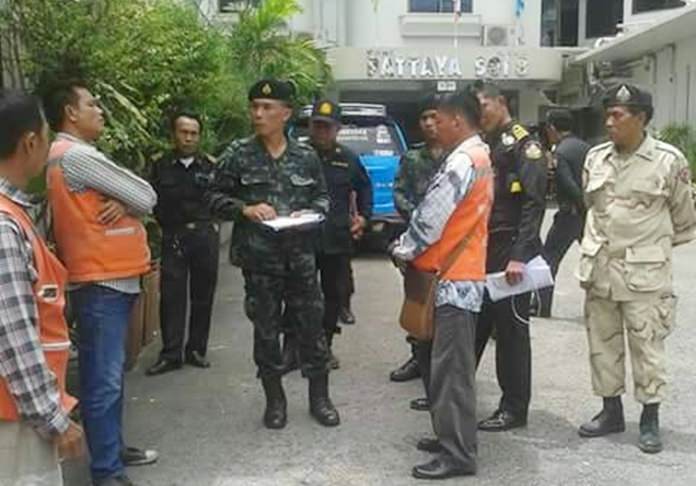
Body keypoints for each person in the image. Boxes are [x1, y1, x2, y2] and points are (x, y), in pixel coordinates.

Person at [43, 80, 158, 486]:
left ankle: (112, 448)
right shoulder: (75, 156)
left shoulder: (67, 156)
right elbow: (146, 195)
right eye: (92, 104)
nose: (101, 110)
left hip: (107, 279)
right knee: (103, 378)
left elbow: (134, 199)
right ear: (70, 113)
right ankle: (107, 470)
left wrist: (123, 202)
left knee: (107, 375)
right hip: (101, 281)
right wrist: (132, 202)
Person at [207, 79, 339, 429]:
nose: (258, 114)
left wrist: (308, 214)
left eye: (267, 107)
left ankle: (320, 398)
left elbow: (323, 199)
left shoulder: (306, 156)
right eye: (254, 107)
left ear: (286, 113)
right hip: (259, 261)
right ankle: (275, 400)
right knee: (266, 332)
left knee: (312, 328)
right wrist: (245, 208)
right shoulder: (238, 154)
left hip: (301, 260)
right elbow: (212, 197)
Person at [577, 84, 696, 453]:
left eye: (618, 115)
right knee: (602, 344)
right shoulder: (595, 158)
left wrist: (649, 249)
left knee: (647, 346)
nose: (609, 121)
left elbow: (683, 219)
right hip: (600, 270)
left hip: (645, 275)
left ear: (641, 118)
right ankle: (610, 411)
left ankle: (649, 419)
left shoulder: (668, 160)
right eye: (608, 114)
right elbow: (591, 205)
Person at [390, 88, 493, 480]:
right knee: (449, 369)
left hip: (450, 281)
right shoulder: (480, 156)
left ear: (456, 121)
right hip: (461, 277)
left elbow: (430, 220)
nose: (436, 126)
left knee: (450, 373)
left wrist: (402, 249)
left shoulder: (461, 161)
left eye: (442, 119)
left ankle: (458, 455)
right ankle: (454, 438)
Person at [0, 90, 84, 486]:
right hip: (13, 419)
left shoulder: (12, 213)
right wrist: (54, 418)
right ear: (30, 142)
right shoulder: (4, 226)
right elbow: (14, 336)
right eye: (47, 133)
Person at [473, 81, 547, 432]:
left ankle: (514, 408)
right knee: (473, 324)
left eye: (484, 106)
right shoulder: (484, 145)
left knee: (511, 332)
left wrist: (520, 255)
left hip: (509, 253)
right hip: (482, 249)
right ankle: (454, 395)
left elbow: (534, 204)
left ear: (501, 103)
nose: (480, 115)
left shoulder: (525, 145)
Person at [146, 111, 219, 376]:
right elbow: (148, 198)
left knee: (203, 295)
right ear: (174, 134)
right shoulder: (159, 165)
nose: (188, 138)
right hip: (174, 236)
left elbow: (222, 198)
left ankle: (197, 350)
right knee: (172, 297)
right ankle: (171, 353)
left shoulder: (212, 166)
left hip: (203, 237)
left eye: (194, 133)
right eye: (183, 132)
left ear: (200, 136)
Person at [307, 99, 372, 368]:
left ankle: (325, 346)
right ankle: (296, 347)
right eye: (317, 126)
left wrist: (363, 218)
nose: (322, 131)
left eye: (327, 127)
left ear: (337, 129)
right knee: (301, 296)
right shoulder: (298, 155)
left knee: (333, 296)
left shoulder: (348, 159)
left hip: (336, 238)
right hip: (303, 240)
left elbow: (365, 189)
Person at [390, 95, 444, 391]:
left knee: (445, 303)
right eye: (424, 118)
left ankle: (440, 361)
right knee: (417, 298)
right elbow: (399, 192)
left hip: (450, 243)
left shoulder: (456, 155)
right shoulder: (412, 157)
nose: (428, 123)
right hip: (419, 240)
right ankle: (417, 355)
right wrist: (419, 218)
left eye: (434, 116)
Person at [535, 109, 590, 317]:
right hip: (589, 214)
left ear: (551, 128)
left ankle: (542, 306)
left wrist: (579, 206)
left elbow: (568, 185)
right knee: (598, 259)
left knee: (548, 259)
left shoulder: (561, 152)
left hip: (570, 215)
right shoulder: (586, 147)